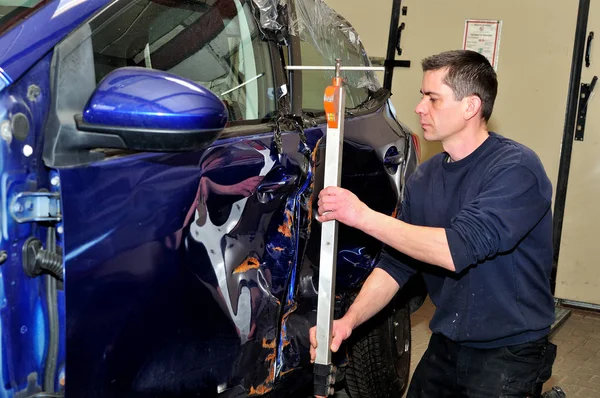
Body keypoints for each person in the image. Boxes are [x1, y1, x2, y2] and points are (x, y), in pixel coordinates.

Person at [310, 49, 558, 397]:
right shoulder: (425, 177)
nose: (419, 108)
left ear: (470, 107)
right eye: (421, 96)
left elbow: (456, 249)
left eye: (433, 99)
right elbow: (396, 265)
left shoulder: (516, 169)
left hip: (508, 351)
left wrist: (361, 216)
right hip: (448, 341)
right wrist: (348, 321)